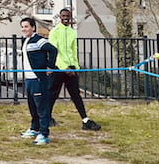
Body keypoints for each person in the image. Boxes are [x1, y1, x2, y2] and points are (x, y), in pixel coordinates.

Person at [48, 8, 101, 131]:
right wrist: (63, 67)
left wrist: (75, 68)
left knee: (76, 94)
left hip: (71, 68)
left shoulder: (72, 32)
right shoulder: (54, 32)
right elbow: (54, 51)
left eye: (68, 16)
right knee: (52, 94)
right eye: (63, 16)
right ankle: (46, 117)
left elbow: (73, 51)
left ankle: (85, 120)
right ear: (60, 17)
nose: (66, 18)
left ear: (70, 17)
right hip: (58, 68)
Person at [19, 16, 58, 145]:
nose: (24, 29)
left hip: (38, 79)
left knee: (41, 107)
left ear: (33, 27)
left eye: (26, 26)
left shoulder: (39, 40)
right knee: (32, 106)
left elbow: (53, 50)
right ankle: (34, 128)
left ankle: (43, 133)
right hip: (28, 79)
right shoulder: (25, 41)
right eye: (22, 27)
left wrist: (49, 66)